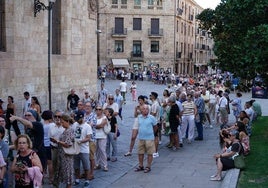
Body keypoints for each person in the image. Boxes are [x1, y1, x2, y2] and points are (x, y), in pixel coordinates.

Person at [50, 114, 75, 188]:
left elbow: (68, 144)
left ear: (67, 121)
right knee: (63, 171)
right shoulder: (66, 130)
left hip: (67, 156)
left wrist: (57, 141)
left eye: (63, 122)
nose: (61, 124)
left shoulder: (69, 130)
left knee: (68, 173)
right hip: (62, 154)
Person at [134, 104, 157, 173]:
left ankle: (148, 166)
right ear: (141, 110)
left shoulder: (151, 118)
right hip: (141, 138)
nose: (145, 110)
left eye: (146, 109)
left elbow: (155, 127)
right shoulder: (139, 117)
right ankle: (141, 166)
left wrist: (152, 133)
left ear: (148, 110)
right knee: (140, 152)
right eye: (143, 109)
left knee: (150, 153)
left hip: (149, 138)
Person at [72, 110, 92, 187]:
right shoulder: (74, 124)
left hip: (84, 149)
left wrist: (81, 141)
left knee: (86, 166)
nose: (77, 120)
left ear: (82, 117)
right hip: (76, 149)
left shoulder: (87, 126)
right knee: (76, 166)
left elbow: (88, 138)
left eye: (78, 119)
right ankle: (77, 179)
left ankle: (87, 180)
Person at [48, 110, 64, 187]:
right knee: (54, 164)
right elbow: (49, 137)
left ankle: (61, 179)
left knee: (62, 165)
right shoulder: (51, 126)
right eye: (55, 116)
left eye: (59, 116)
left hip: (63, 149)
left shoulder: (65, 126)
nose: (57, 118)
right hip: (54, 148)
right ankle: (55, 180)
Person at [83, 102, 97, 180]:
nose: (87, 107)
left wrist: (84, 124)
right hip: (84, 139)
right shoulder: (84, 115)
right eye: (86, 106)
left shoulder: (93, 116)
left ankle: (91, 173)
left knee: (91, 157)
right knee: (85, 157)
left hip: (91, 139)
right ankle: (86, 172)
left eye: (89, 106)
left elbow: (90, 125)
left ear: (91, 108)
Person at [41, 110, 54, 184]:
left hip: (43, 145)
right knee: (50, 163)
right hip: (50, 144)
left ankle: (42, 177)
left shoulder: (42, 125)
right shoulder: (52, 125)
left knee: (43, 163)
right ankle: (51, 178)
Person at [94, 106, 108, 171]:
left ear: (102, 110)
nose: (98, 110)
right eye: (97, 109)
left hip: (102, 136)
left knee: (102, 150)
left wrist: (95, 126)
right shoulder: (94, 117)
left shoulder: (104, 117)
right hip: (95, 136)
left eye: (99, 109)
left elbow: (102, 125)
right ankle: (97, 164)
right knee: (96, 151)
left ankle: (105, 165)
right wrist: (97, 126)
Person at [150, 92, 161, 158]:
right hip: (156, 121)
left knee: (155, 137)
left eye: (151, 96)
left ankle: (155, 151)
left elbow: (153, 113)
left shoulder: (155, 104)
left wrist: (148, 113)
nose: (150, 96)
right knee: (155, 136)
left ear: (153, 96)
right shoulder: (155, 103)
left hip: (155, 122)